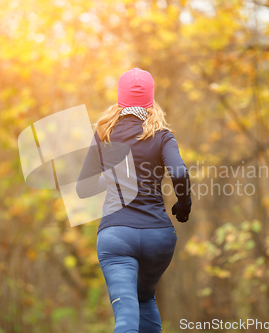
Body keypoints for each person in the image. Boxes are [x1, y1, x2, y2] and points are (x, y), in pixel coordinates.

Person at [76, 67, 192, 333]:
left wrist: (110, 177)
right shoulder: (162, 136)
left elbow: (83, 188)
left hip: (116, 237)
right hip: (158, 237)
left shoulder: (104, 136)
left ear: (120, 100)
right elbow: (179, 172)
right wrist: (183, 206)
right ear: (151, 102)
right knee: (145, 299)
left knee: (126, 316)